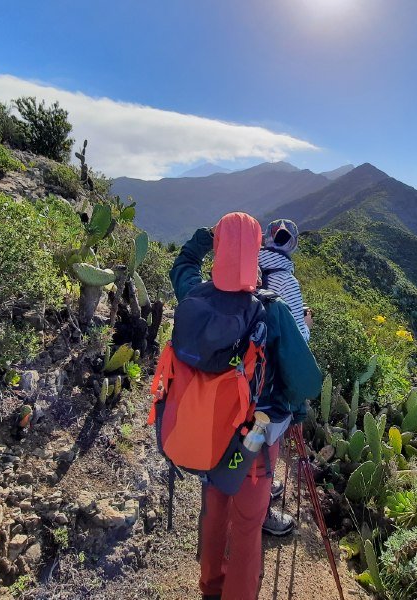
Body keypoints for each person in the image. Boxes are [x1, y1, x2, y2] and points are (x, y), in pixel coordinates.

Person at [169, 213, 322, 600]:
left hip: (212, 431)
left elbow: (182, 267)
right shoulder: (272, 310)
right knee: (248, 522)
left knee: (216, 508)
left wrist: (201, 240)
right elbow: (307, 382)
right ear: (256, 250)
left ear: (220, 248)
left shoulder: (196, 295)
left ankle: (210, 588)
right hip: (253, 439)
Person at [258, 218, 310, 536]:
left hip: (247, 369)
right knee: (272, 437)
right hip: (274, 375)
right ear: (292, 245)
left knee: (255, 434)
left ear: (266, 238)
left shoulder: (249, 266)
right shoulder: (287, 282)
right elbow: (298, 340)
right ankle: (263, 508)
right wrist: (307, 324)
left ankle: (259, 485)